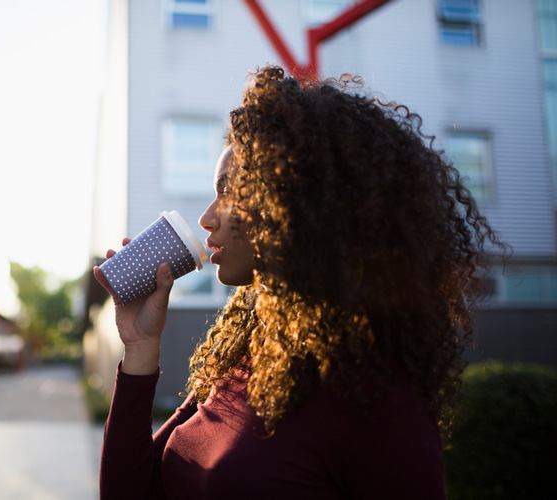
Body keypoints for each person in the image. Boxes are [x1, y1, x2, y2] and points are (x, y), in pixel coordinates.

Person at [92, 64, 510, 499]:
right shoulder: (246, 353)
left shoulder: (377, 401)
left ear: (295, 203)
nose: (207, 217)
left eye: (229, 191)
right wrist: (141, 348)